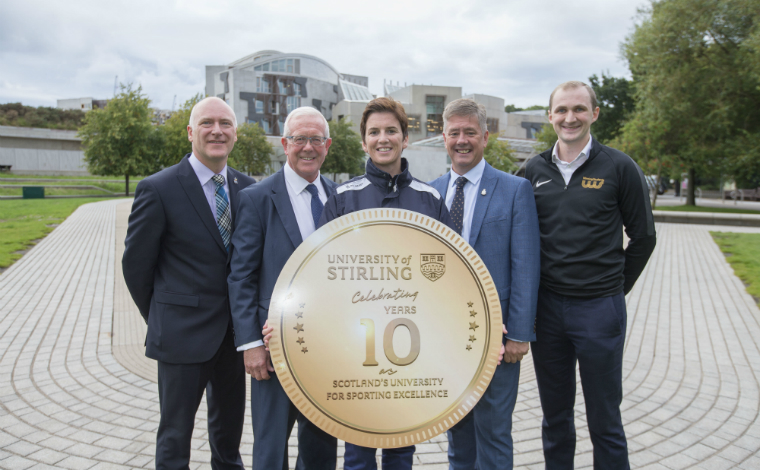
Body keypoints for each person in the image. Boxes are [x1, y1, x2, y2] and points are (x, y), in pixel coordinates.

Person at [524, 81, 656, 469]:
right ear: (550, 117)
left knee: (605, 419)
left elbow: (644, 237)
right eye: (562, 110)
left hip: (600, 310)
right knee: (555, 419)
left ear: (594, 114)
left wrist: (614, 287)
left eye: (579, 109)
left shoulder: (619, 166)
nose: (570, 117)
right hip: (546, 314)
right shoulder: (533, 169)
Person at [320, 97, 454, 470]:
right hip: (355, 345)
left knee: (401, 446)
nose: (383, 138)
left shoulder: (430, 199)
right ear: (364, 142)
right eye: (374, 132)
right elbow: (321, 275)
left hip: (412, 345)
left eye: (390, 131)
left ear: (405, 138)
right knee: (358, 450)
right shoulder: (343, 199)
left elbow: (452, 274)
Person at [122, 96, 255, 469]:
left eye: (225, 123)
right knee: (175, 437)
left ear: (235, 133)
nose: (217, 130)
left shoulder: (248, 188)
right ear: (190, 133)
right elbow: (136, 266)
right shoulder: (158, 188)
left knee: (229, 439)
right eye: (207, 123)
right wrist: (162, 317)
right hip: (181, 335)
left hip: (234, 337)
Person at [429, 98, 540, 470]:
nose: (462, 140)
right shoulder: (429, 192)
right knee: (457, 431)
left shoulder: (514, 190)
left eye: (470, 132)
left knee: (493, 432)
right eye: (455, 132)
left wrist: (520, 335)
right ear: (443, 136)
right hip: (445, 336)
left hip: (498, 335)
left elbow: (525, 265)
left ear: (485, 137)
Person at [228, 106, 338, 470]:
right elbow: (241, 276)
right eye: (299, 139)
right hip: (272, 349)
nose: (308, 147)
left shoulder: (341, 198)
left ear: (328, 145)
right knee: (271, 449)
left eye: (316, 139)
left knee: (321, 447)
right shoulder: (257, 199)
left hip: (328, 347)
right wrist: (251, 344)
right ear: (284, 144)